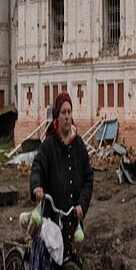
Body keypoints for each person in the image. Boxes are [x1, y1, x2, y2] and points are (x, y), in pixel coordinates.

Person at [29, 92, 93, 257]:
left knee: (73, 260)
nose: (66, 116)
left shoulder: (79, 145)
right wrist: (37, 186)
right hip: (53, 219)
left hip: (73, 218)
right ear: (57, 117)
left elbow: (88, 178)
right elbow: (38, 166)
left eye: (69, 112)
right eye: (63, 112)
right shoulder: (49, 145)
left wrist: (82, 205)